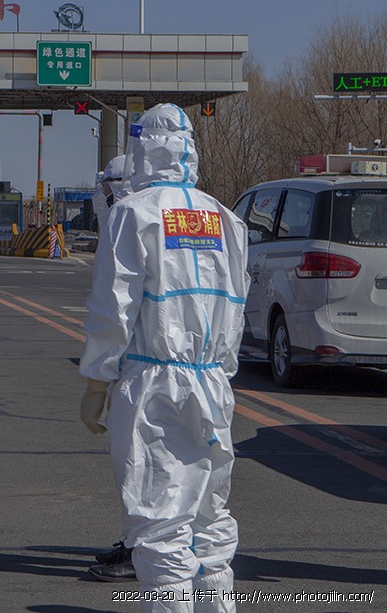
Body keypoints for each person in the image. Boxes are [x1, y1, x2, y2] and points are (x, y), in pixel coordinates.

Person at [79, 104, 249, 613]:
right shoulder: (226, 219)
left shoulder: (133, 213)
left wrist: (96, 381)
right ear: (189, 148)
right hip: (212, 381)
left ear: (140, 149)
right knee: (208, 518)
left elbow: (114, 306)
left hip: (153, 385)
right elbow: (236, 305)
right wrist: (220, 371)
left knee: (159, 523)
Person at [86, 151, 138, 582]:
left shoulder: (131, 223)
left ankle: (144, 553)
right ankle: (144, 545)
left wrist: (96, 381)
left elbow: (114, 310)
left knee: (139, 464)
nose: (101, 194)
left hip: (146, 370)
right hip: (201, 374)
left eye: (107, 186)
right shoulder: (214, 219)